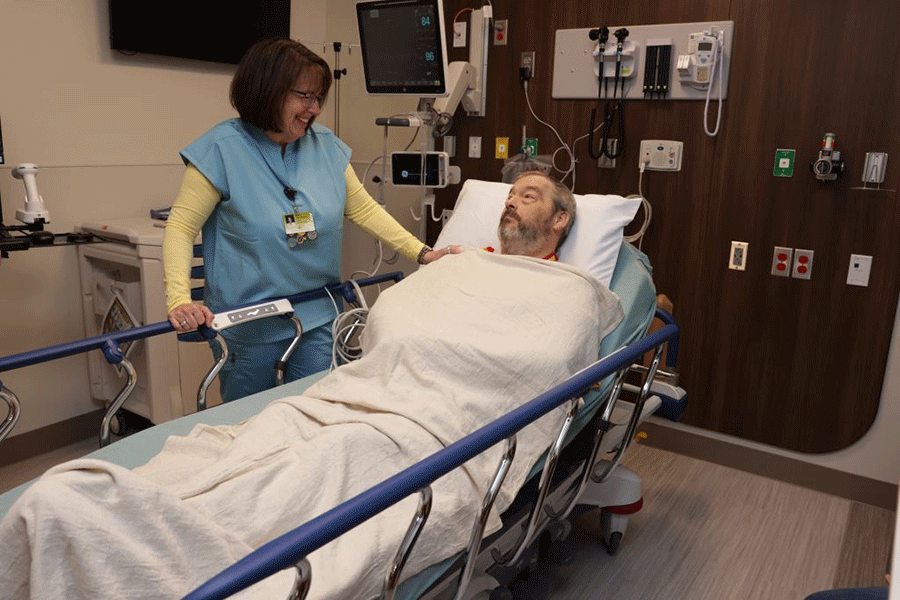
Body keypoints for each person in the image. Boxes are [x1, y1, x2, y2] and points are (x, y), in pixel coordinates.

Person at [1, 181, 625, 600]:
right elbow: (396, 321)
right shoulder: (458, 264)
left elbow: (548, 356)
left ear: (562, 220)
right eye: (509, 194)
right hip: (352, 398)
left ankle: (163, 549)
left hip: (428, 429)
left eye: (531, 195)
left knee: (336, 463)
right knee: (272, 445)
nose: (513, 201)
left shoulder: (571, 291)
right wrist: (431, 297)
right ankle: (130, 525)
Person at [163, 38, 456, 402]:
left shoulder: (326, 146)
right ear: (267, 90)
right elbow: (180, 228)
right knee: (249, 425)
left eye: (319, 99)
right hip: (250, 323)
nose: (314, 109)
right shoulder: (222, 149)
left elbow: (362, 209)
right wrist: (179, 299)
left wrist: (423, 253)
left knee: (315, 413)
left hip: (318, 312)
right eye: (305, 96)